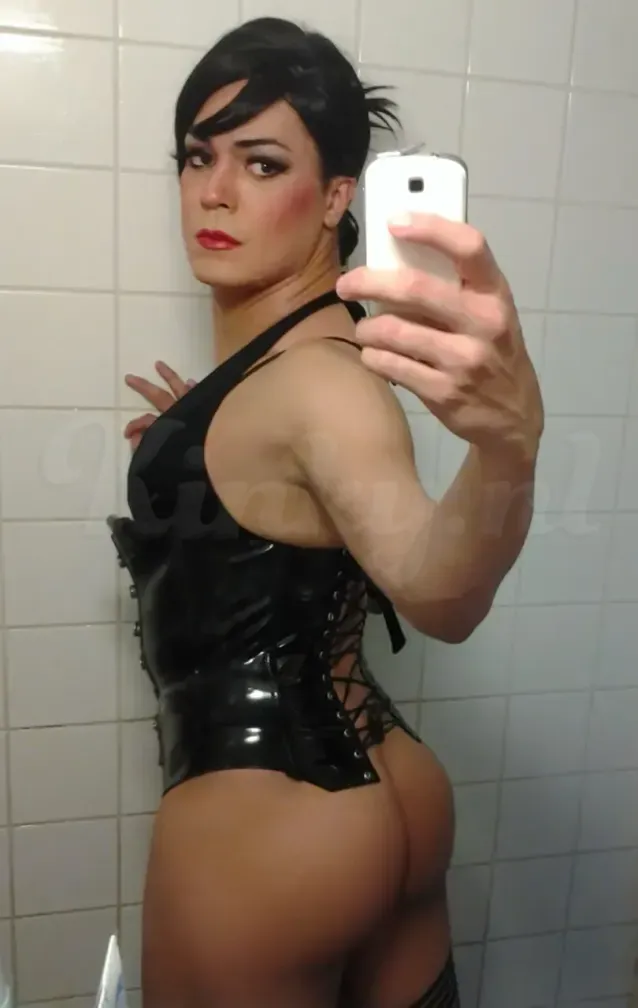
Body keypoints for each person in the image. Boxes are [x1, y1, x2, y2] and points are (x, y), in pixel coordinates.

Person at [110, 16, 543, 1008]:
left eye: (262, 164)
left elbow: (436, 593)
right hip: (385, 798)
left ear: (337, 198)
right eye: (198, 157)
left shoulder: (313, 384)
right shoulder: (304, 363)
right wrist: (194, 450)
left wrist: (508, 447)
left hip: (265, 832)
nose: (214, 191)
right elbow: (294, 520)